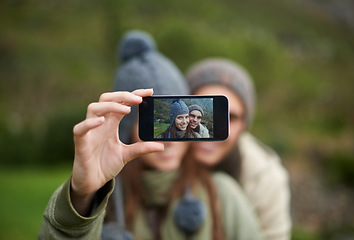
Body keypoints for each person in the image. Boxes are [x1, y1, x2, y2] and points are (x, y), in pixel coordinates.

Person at [39, 30, 264, 240]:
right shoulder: (98, 198)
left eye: (184, 118)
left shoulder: (223, 194)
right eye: (155, 121)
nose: (169, 141)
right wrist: (82, 196)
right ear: (127, 129)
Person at [186, 58, 292, 240]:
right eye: (205, 113)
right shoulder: (160, 155)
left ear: (244, 125)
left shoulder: (265, 179)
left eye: (230, 118)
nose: (215, 130)